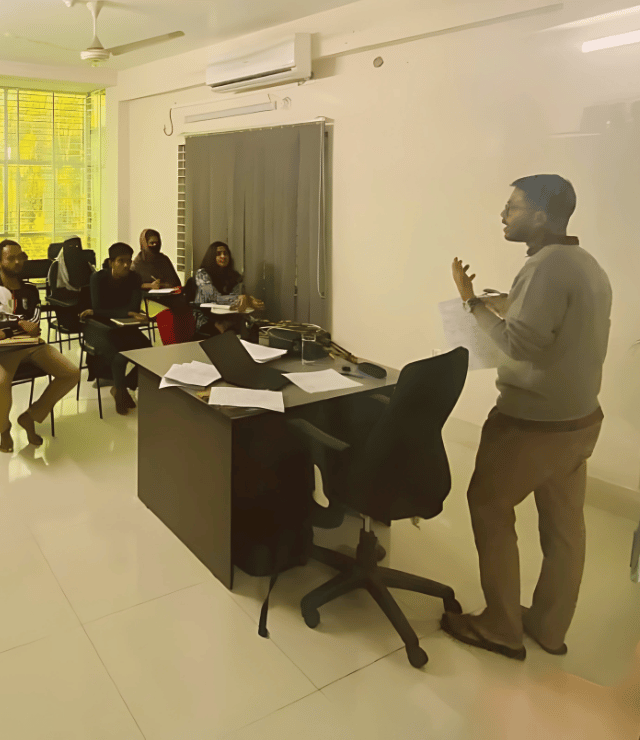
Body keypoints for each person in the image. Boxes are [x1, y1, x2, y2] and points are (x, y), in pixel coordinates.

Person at [444, 174, 612, 661]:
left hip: (532, 425)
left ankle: (501, 627)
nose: (503, 214)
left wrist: (470, 301)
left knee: (488, 506)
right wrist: (506, 303)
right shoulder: (586, 263)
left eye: (513, 207)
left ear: (540, 217)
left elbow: (518, 344)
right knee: (565, 530)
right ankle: (549, 627)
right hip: (580, 422)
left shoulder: (544, 267)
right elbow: (557, 324)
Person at [0, 239, 80, 453]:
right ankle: (4, 430)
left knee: (72, 373)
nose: (17, 262)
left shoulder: (30, 289)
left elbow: (35, 320)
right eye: (11, 258)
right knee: (1, 383)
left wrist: (20, 327)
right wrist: (18, 325)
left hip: (32, 345)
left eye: (20, 257)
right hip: (4, 350)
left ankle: (30, 416)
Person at [80, 243, 151, 416]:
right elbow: (98, 309)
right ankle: (120, 391)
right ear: (111, 262)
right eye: (121, 261)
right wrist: (125, 312)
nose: (126, 265)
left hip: (124, 326)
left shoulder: (134, 278)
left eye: (129, 261)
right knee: (120, 355)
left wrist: (120, 312)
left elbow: (133, 307)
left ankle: (121, 388)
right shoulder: (98, 278)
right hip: (99, 328)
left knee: (149, 354)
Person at [193, 241, 264, 335]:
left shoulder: (235, 276)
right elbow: (213, 297)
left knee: (252, 327)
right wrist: (242, 299)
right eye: (218, 254)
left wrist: (251, 301)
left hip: (229, 318)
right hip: (207, 319)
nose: (223, 256)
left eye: (225, 253)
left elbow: (238, 299)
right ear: (211, 257)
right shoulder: (202, 273)